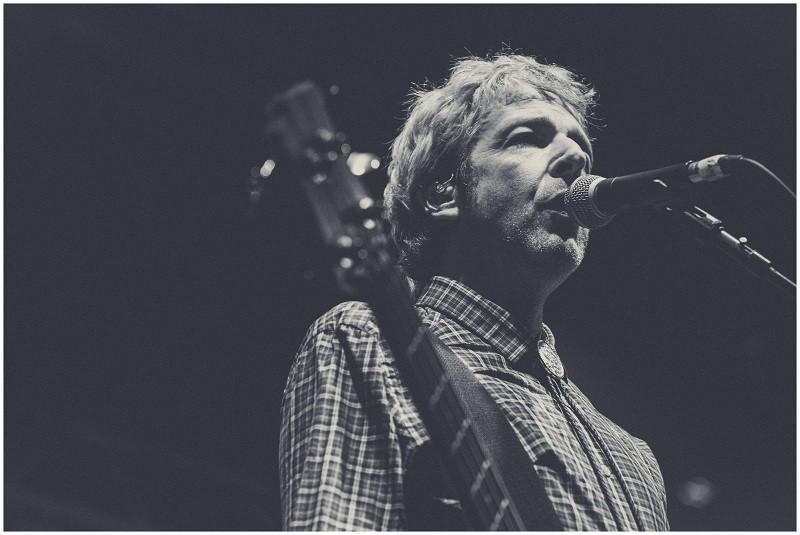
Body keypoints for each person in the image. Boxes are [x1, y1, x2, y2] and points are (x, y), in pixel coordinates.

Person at [279, 53, 670, 531]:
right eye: (527, 138)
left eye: (583, 152)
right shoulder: (369, 341)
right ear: (442, 194)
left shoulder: (634, 459)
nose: (575, 161)